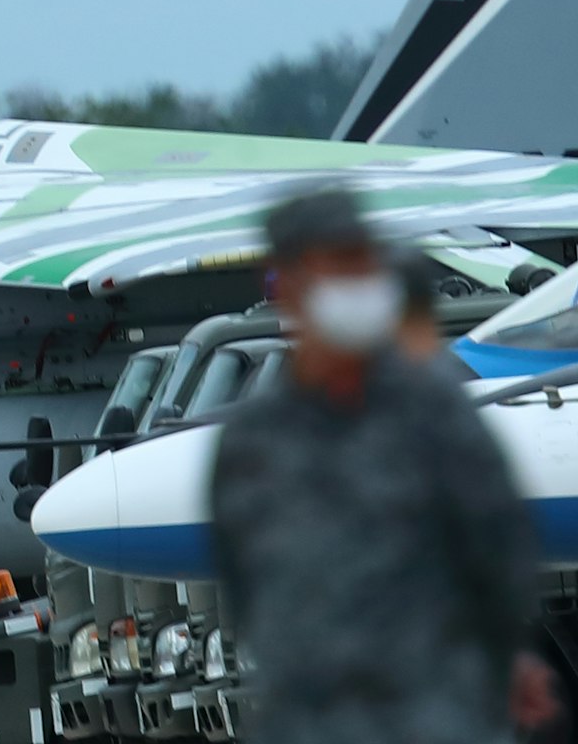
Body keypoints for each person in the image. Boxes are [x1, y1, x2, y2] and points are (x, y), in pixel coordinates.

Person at [206, 186, 557, 744]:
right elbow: (244, 586)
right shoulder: (253, 441)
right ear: (289, 282)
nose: (357, 281)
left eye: (362, 262)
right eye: (339, 265)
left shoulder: (434, 412)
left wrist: (504, 658)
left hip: (439, 718)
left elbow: (501, 551)